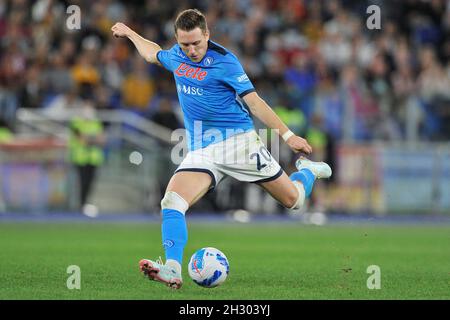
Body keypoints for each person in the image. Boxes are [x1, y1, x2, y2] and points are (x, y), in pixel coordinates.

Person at [111, 9, 332, 289]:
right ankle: (172, 269)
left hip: (238, 144)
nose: (191, 51)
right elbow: (151, 53)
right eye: (184, 45)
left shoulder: (226, 62)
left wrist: (288, 136)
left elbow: (255, 103)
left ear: (207, 34)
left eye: (196, 43)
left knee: (294, 201)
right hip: (202, 148)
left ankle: (308, 172)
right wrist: (130, 33)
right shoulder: (176, 56)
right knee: (172, 202)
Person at [69, 101, 106, 217]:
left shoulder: (96, 122)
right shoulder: (76, 122)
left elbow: (102, 140)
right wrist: (93, 139)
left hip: (94, 159)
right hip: (80, 158)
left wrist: (90, 140)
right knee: (82, 183)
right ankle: (81, 205)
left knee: (90, 183)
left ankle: (85, 205)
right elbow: (82, 140)